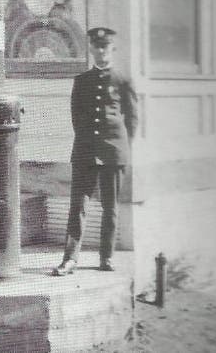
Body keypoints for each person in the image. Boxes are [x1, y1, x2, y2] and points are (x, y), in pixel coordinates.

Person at [53, 26, 139, 276]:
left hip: (114, 150)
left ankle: (107, 257)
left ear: (112, 49)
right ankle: (70, 259)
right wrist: (87, 143)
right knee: (78, 205)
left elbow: (132, 118)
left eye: (105, 47)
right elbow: (76, 117)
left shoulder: (123, 80)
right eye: (97, 47)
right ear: (91, 49)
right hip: (85, 151)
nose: (101, 52)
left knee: (110, 207)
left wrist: (122, 147)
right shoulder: (82, 81)